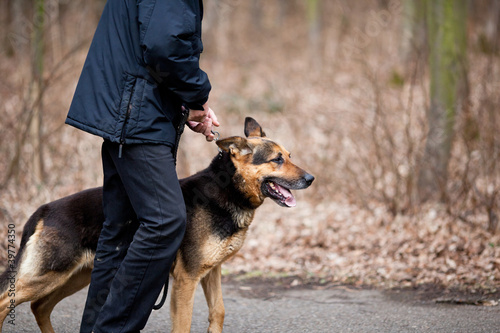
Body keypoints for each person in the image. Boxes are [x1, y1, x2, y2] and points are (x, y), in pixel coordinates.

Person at [65, 1, 218, 332]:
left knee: (121, 230)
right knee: (165, 222)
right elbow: (165, 47)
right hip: (137, 116)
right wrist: (197, 94)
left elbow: (149, 44)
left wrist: (188, 103)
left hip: (131, 111)